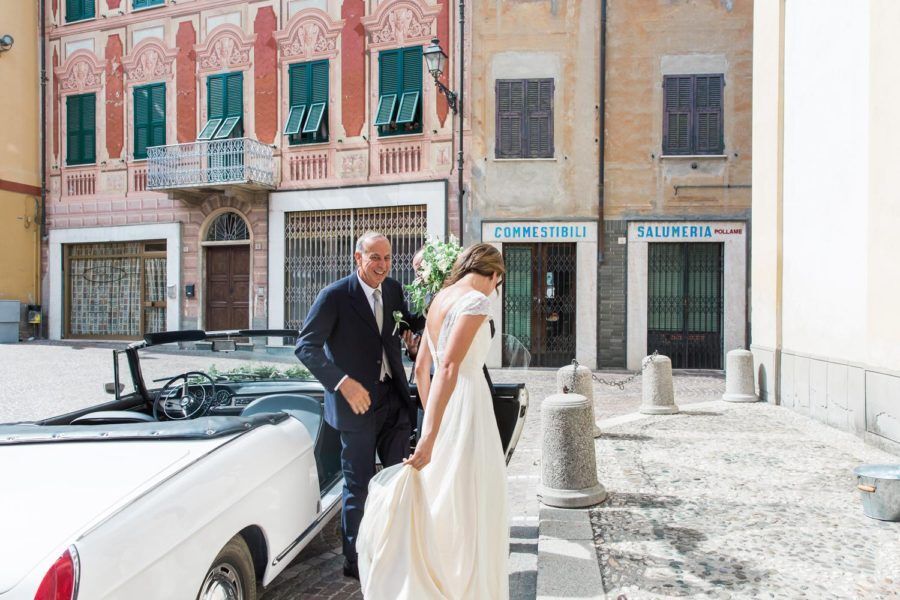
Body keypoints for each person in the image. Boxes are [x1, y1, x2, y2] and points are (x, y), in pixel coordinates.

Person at [356, 243, 509, 599]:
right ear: (494, 275)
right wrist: (429, 435)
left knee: (449, 492)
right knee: (471, 500)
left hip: (449, 408)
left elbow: (423, 369)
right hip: (469, 407)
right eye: (496, 284)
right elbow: (451, 368)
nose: (494, 291)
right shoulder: (475, 300)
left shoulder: (439, 299)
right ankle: (466, 586)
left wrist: (434, 419)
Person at [295, 231, 423, 580]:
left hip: (394, 399)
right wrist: (342, 382)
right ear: (358, 258)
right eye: (374, 258)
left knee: (398, 479)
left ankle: (394, 549)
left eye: (387, 258)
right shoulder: (334, 297)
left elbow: (409, 323)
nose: (382, 265)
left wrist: (440, 304)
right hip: (356, 406)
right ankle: (355, 562)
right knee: (359, 485)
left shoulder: (394, 289)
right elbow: (305, 347)